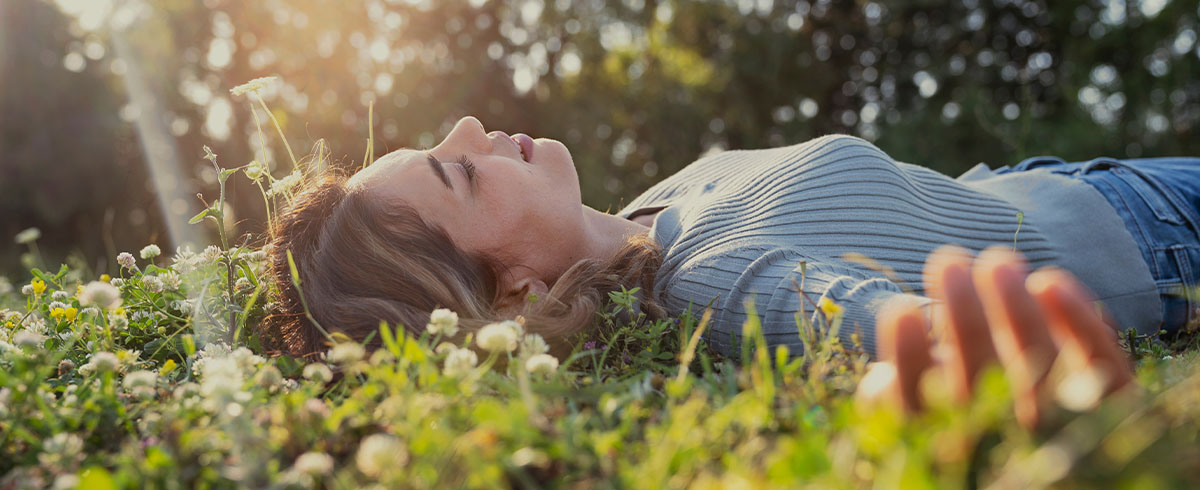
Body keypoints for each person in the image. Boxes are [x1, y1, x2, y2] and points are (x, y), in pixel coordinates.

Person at [263, 116, 1198, 422]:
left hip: (1059, 184)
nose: (470, 129)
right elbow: (899, 331)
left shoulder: (645, 218)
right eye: (458, 171)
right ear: (512, 291)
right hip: (1156, 236)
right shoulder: (705, 279)